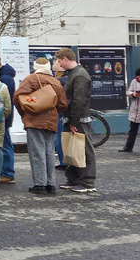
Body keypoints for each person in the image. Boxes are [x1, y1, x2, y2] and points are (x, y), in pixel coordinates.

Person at [13, 57, 68, 194]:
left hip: (34, 120)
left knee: (37, 151)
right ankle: (51, 184)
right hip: (51, 121)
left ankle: (40, 184)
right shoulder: (55, 81)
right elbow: (63, 104)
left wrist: (26, 113)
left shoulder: (30, 79)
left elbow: (17, 98)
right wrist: (52, 110)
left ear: (35, 67)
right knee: (49, 152)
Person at [56, 48, 96, 192]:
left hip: (79, 119)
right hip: (74, 117)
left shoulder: (79, 75)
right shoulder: (75, 74)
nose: (59, 64)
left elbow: (79, 100)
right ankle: (74, 179)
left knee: (84, 149)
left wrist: (74, 121)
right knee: (73, 149)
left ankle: (87, 182)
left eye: (60, 61)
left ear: (66, 58)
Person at [0, 56, 18, 183]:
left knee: (5, 145)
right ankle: (2, 172)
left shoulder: (4, 78)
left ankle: (7, 173)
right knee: (3, 144)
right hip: (3, 116)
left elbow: (3, 99)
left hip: (3, 116)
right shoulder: (6, 76)